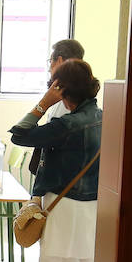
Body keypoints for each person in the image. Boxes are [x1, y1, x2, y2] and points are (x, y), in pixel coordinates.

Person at [8, 59, 102, 262]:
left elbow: (20, 135)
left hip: (65, 212)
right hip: (93, 211)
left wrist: (43, 104)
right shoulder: (103, 118)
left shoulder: (68, 124)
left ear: (60, 88)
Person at [26, 38, 85, 178]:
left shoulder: (63, 99)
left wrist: (42, 105)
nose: (49, 68)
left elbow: (20, 134)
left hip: (58, 181)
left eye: (50, 61)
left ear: (59, 61)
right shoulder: (81, 96)